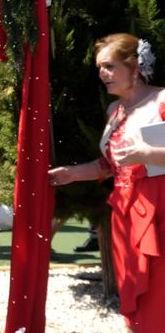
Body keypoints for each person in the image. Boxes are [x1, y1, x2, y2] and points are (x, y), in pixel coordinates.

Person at [48, 33, 165, 332]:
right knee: (133, 292)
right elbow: (111, 165)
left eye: (110, 66)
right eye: (100, 68)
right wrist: (74, 173)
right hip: (124, 213)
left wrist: (146, 153)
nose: (103, 74)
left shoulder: (162, 99)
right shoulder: (114, 111)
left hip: (159, 210)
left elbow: (142, 156)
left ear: (135, 67)